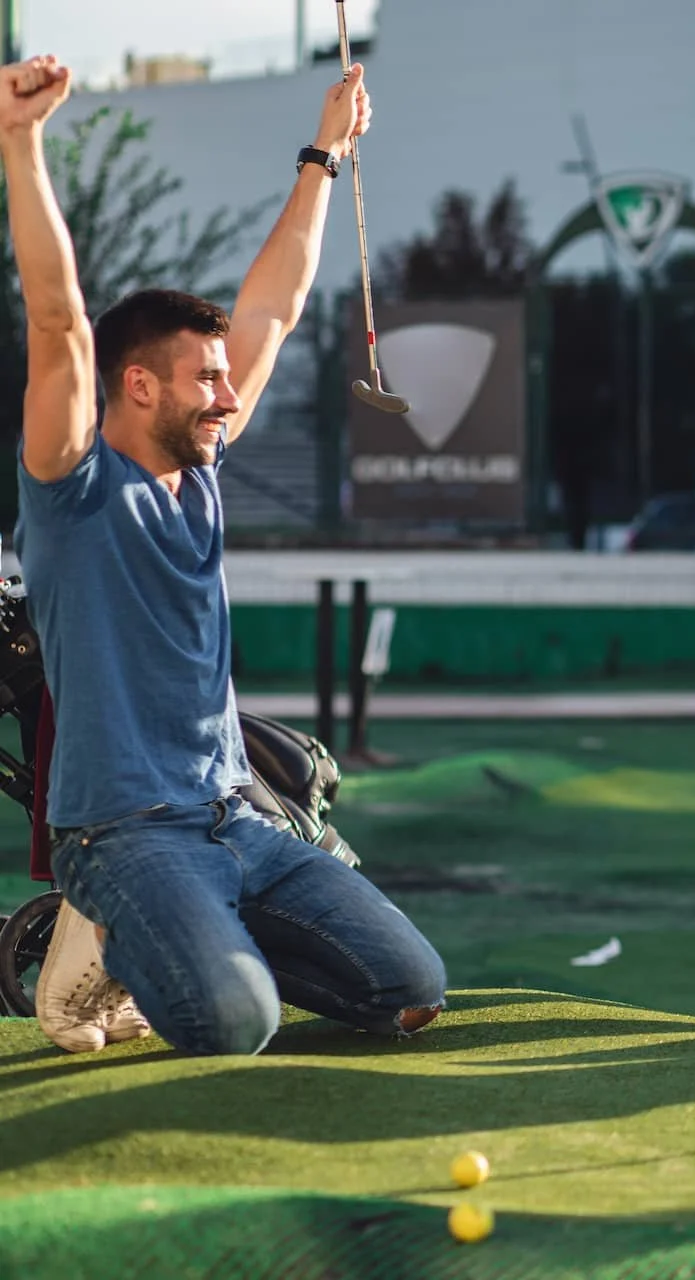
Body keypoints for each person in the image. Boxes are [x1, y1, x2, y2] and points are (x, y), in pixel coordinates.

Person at [8, 55, 447, 1056]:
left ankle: (183, 935)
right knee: (233, 1023)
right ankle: (112, 940)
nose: (228, 391)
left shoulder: (199, 471)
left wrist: (325, 154)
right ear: (138, 386)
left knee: (409, 987)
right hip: (122, 831)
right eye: (205, 377)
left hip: (233, 820)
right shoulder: (72, 486)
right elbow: (54, 320)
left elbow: (275, 307)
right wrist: (22, 143)